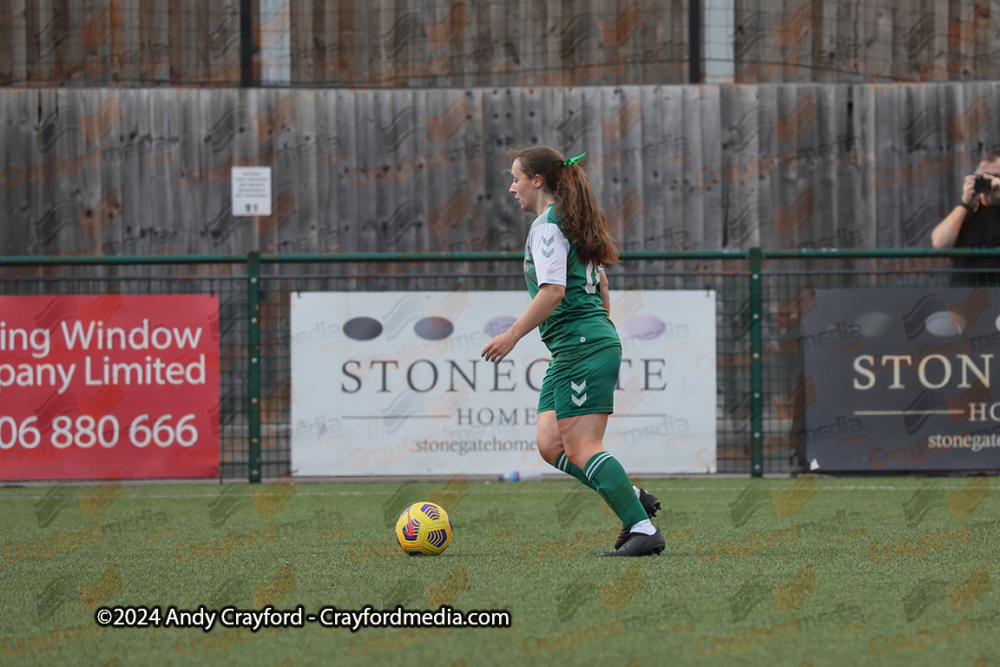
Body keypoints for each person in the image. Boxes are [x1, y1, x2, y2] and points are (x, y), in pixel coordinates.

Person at [480, 146, 665, 557]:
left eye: (515, 179)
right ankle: (631, 495)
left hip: (581, 346)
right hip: (580, 345)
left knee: (583, 446)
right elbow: (601, 286)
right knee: (551, 445)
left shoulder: (547, 227)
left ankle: (641, 527)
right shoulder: (572, 221)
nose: (512, 188)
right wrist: (600, 330)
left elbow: (553, 292)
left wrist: (512, 335)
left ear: (537, 180)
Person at [931, 150, 1000, 285]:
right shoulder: (964, 215)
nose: (989, 182)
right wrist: (964, 204)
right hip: (965, 296)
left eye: (995, 176)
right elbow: (939, 243)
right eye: (985, 177)